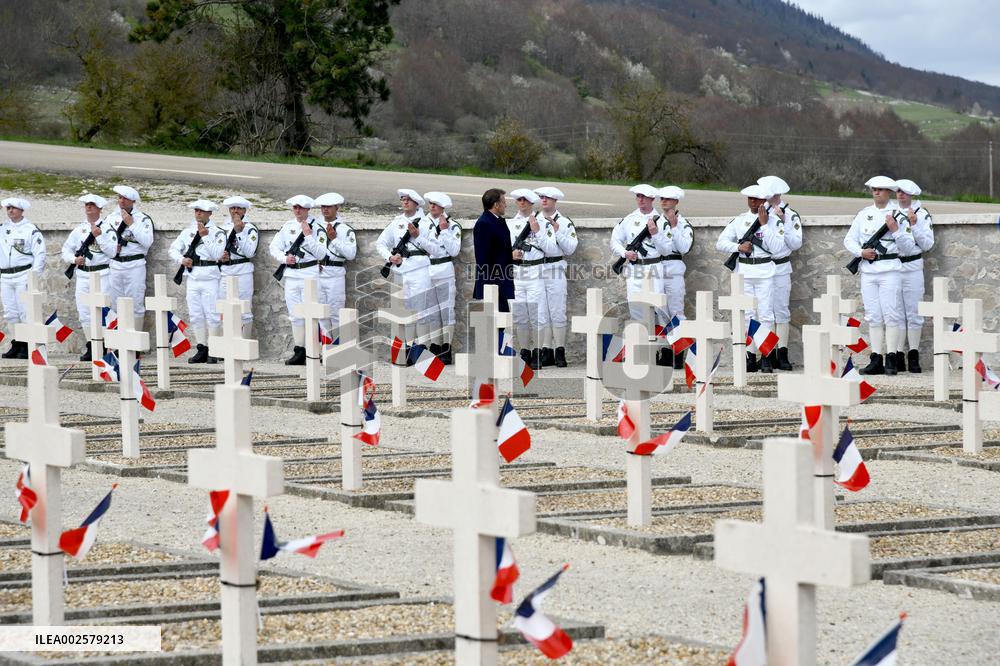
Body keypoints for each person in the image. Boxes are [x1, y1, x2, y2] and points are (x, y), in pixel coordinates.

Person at [844, 176, 917, 376]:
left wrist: (895, 231)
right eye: (874, 189)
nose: (877, 192)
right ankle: (876, 358)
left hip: (890, 271)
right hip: (869, 271)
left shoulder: (899, 215)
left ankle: (892, 358)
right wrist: (861, 253)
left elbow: (908, 247)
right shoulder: (864, 214)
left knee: (891, 314)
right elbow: (849, 240)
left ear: (889, 192)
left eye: (881, 189)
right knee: (874, 316)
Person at [716, 184, 785, 373]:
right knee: (747, 315)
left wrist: (765, 225)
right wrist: (738, 248)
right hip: (744, 271)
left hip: (764, 271)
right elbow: (720, 242)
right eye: (750, 198)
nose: (753, 202)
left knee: (765, 315)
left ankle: (766, 357)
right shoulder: (739, 221)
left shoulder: (774, 221)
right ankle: (750, 356)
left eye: (757, 199)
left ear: (764, 201)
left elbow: (778, 248)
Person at [610, 184, 673, 366]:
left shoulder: (661, 221)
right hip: (635, 269)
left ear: (652, 199)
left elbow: (666, 249)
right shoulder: (629, 219)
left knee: (659, 310)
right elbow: (615, 240)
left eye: (644, 197)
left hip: (653, 268)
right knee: (637, 310)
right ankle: (645, 351)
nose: (640, 200)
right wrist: (624, 254)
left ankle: (664, 350)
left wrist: (655, 235)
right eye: (638, 196)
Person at [268, 195, 328, 365]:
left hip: (310, 274)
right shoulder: (287, 226)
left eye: (301, 207)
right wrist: (284, 258)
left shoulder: (317, 227)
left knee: (313, 314)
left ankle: (316, 351)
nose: (297, 210)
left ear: (308, 209)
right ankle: (300, 351)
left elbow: (322, 254)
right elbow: (274, 247)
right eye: (295, 207)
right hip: (291, 274)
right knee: (295, 315)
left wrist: (308, 236)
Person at [375, 189, 436, 348]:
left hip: (419, 270)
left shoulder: (426, 222)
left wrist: (417, 236)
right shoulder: (396, 221)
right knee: (404, 312)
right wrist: (389, 257)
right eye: (402, 199)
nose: (404, 202)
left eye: (408, 200)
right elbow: (380, 243)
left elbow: (434, 249)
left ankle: (421, 348)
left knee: (421, 311)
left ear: (416, 203)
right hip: (401, 271)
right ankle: (408, 347)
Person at [169, 200, 227, 364]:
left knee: (212, 315)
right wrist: (181, 259)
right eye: (196, 211)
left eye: (202, 211)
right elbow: (173, 249)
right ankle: (202, 348)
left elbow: (217, 254)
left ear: (210, 213)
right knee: (195, 315)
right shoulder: (188, 231)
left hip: (210, 277)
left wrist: (205, 237)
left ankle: (214, 350)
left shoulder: (218, 233)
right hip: (193, 277)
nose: (198, 213)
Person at [757, 175, 803, 371]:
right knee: (764, 311)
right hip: (762, 267)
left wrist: (784, 222)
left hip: (781, 267)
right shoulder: (759, 213)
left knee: (781, 311)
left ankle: (781, 353)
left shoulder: (790, 215)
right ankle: (767, 352)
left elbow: (795, 243)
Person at [506, 188, 554, 369]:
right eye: (519, 199)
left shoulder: (542, 222)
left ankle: (538, 351)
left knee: (538, 315)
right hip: (517, 273)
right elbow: (503, 248)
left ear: (531, 202)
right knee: (519, 315)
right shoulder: (510, 224)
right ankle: (525, 351)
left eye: (525, 200)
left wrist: (538, 231)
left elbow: (550, 248)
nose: (522, 202)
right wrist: (510, 254)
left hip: (536, 272)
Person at [62, 194, 112, 361]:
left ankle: (103, 344)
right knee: (84, 312)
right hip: (83, 274)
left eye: (92, 205)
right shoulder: (79, 229)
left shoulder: (108, 228)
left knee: (102, 311)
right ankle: (92, 345)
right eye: (86, 205)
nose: (88, 207)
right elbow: (66, 250)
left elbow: (112, 252)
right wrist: (74, 260)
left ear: (99, 208)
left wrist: (100, 236)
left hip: (102, 274)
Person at [96, 185, 154, 329]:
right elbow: (103, 240)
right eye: (120, 198)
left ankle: (135, 347)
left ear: (133, 201)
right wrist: (112, 247)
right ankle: (119, 344)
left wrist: (132, 225)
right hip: (115, 264)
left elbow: (147, 242)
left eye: (125, 199)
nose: (121, 201)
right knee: (116, 304)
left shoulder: (142, 219)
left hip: (134, 264)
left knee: (136, 304)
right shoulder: (111, 218)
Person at [893, 179, 934, 373]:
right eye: (898, 191)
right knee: (897, 314)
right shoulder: (890, 212)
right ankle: (898, 355)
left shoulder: (922, 214)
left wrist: (915, 225)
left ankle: (914, 355)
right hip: (893, 266)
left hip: (913, 266)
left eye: (904, 192)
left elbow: (927, 245)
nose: (900, 195)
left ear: (912, 195)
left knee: (914, 313)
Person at [534, 186, 577, 368]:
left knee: (557, 310)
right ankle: (546, 350)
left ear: (555, 201)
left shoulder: (565, 222)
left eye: (548, 198)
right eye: (542, 197)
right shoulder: (533, 220)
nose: (544, 200)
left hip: (555, 267)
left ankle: (559, 350)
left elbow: (570, 249)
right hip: (536, 269)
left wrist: (558, 231)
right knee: (541, 312)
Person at [0, 197, 45, 359]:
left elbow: (39, 255)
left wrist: (33, 277)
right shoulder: (2, 228)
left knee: (25, 311)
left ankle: (27, 344)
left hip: (23, 275)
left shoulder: (30, 229)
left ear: (21, 210)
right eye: (8, 208)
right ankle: (17, 343)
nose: (10, 210)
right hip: (5, 275)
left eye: (13, 208)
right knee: (11, 313)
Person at [657, 185, 694, 369]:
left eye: (668, 199)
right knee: (660, 312)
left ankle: (678, 353)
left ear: (676, 202)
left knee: (676, 312)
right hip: (656, 268)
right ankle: (665, 352)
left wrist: (674, 227)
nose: (664, 201)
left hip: (674, 268)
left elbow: (684, 247)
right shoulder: (654, 221)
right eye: (662, 198)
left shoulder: (683, 223)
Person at [422, 191, 461, 364]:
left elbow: (454, 251)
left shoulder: (453, 226)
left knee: (446, 311)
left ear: (442, 207)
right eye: (430, 203)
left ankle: (446, 347)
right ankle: (434, 346)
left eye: (435, 204)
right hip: (426, 268)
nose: (432, 206)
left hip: (444, 268)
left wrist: (444, 231)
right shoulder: (422, 223)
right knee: (431, 312)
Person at [314, 191, 357, 346]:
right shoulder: (315, 227)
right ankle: (325, 348)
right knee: (321, 314)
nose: (325, 210)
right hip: (318, 273)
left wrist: (334, 239)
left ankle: (339, 348)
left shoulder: (345, 229)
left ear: (337, 207)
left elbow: (351, 254)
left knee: (336, 314)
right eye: (323, 207)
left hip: (335, 274)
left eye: (329, 207)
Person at [218, 196, 259, 339]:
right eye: (232, 208)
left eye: (238, 208)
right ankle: (227, 344)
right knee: (224, 309)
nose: (235, 211)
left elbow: (250, 252)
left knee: (244, 310)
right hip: (225, 272)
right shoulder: (223, 228)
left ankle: (244, 344)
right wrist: (219, 256)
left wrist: (240, 232)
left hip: (242, 271)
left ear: (244, 210)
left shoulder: (250, 228)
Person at [472, 188, 514, 312]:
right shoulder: (484, 223)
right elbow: (483, 258)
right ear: (496, 204)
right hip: (492, 282)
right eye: (504, 202)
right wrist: (491, 285)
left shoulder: (498, 221)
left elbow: (500, 248)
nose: (506, 205)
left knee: (503, 317)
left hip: (502, 279)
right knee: (496, 320)